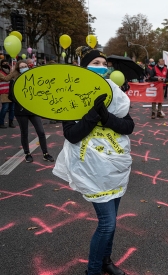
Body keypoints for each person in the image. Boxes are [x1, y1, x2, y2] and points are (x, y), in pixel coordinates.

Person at [53, 46, 135, 275]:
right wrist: (91, 115)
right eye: (95, 62)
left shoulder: (114, 92)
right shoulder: (71, 94)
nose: (100, 66)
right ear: (84, 67)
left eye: (103, 63)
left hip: (114, 167)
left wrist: (107, 117)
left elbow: (128, 126)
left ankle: (106, 261)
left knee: (112, 222)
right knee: (107, 223)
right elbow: (71, 134)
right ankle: (94, 270)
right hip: (91, 170)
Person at [5, 60, 54, 163]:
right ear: (18, 69)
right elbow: (10, 95)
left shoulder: (33, 78)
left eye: (25, 66)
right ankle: (27, 153)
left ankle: (45, 153)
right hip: (21, 111)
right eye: (22, 66)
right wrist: (20, 101)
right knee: (25, 133)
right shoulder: (14, 80)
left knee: (41, 131)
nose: (24, 68)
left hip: (33, 110)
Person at [0, 59, 16, 128]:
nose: (6, 64)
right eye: (4, 63)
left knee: (12, 109)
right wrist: (12, 74)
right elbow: (6, 79)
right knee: (5, 108)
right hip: (4, 92)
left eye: (7, 63)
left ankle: (11, 122)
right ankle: (1, 123)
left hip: (11, 92)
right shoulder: (0, 72)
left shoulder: (11, 71)